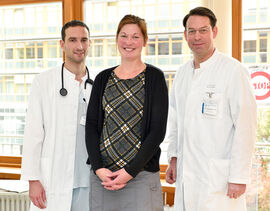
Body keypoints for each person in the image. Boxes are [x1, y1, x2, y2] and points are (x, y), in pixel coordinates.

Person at [165, 7, 257, 211]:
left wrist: (239, 177)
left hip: (218, 179)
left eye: (203, 30)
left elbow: (246, 127)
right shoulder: (181, 74)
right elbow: (175, 121)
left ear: (214, 32)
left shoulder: (234, 71)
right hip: (186, 175)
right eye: (192, 31)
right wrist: (173, 157)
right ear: (185, 35)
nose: (197, 37)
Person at [85, 14, 168, 211]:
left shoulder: (155, 77)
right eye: (123, 36)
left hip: (141, 178)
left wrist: (129, 172)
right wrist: (98, 168)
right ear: (116, 39)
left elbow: (157, 132)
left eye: (135, 36)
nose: (128, 42)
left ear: (144, 41)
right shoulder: (103, 78)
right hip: (104, 178)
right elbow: (91, 126)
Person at [21, 20, 93, 211]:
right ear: (62, 44)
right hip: (53, 177)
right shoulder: (44, 82)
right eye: (72, 40)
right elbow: (33, 133)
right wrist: (33, 179)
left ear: (90, 43)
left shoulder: (98, 83)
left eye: (84, 40)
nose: (79, 46)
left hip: (89, 179)